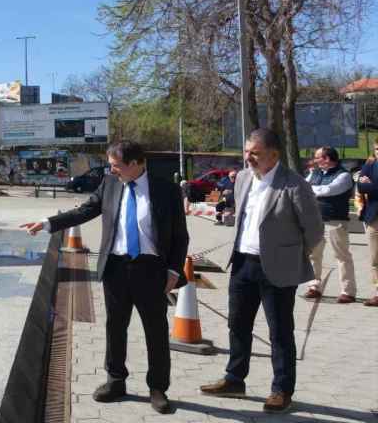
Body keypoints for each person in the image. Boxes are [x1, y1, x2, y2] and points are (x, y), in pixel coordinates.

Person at [20, 140, 188, 414]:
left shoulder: (166, 191)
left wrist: (173, 270)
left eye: (116, 166)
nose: (112, 171)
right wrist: (48, 223)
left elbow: (180, 236)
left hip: (151, 271)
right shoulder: (110, 186)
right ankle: (115, 380)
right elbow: (84, 210)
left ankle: (157, 388)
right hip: (116, 269)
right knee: (115, 327)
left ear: (136, 164)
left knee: (155, 332)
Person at [200, 128, 323, 413]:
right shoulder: (243, 178)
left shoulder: (293, 185)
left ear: (273, 154)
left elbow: (314, 231)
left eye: (254, 153)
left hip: (277, 270)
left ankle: (282, 389)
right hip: (243, 264)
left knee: (280, 332)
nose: (247, 157)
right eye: (246, 151)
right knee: (237, 324)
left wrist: (290, 255)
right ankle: (234, 379)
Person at [303, 147, 356, 303]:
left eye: (317, 157)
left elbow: (328, 190)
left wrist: (310, 189)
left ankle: (348, 291)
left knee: (342, 256)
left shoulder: (344, 175)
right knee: (313, 255)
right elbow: (303, 186)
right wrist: (312, 174)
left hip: (335, 221)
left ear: (326, 159)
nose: (314, 160)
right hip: (315, 221)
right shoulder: (317, 173)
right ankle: (314, 286)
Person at [356, 142, 378, 307]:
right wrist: (368, 185)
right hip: (373, 217)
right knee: (375, 258)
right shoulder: (370, 164)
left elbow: (370, 187)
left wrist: (370, 185)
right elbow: (360, 185)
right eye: (377, 149)